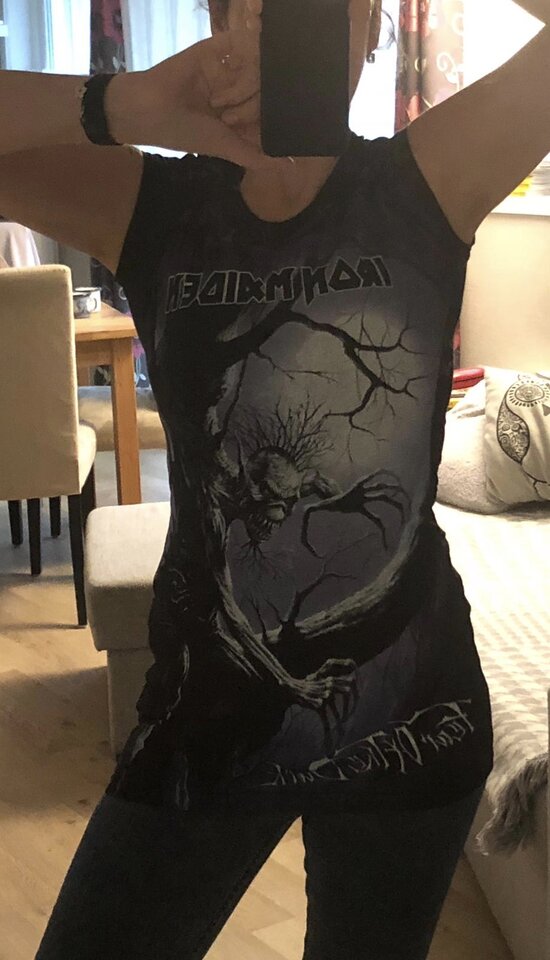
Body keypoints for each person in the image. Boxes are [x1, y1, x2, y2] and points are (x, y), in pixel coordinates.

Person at [1, 0, 548, 956]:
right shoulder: (148, 202)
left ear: (370, 26)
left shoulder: (430, 175)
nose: (274, 18)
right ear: (217, 21)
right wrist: (121, 103)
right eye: (248, 2)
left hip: (414, 720)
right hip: (207, 716)